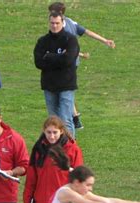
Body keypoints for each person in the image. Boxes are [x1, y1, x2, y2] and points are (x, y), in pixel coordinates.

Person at [48, 2, 115, 130]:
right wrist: (104, 40)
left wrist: (81, 54)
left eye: (52, 13)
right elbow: (87, 32)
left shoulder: (62, 30)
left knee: (64, 92)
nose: (51, 16)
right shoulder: (70, 22)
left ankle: (74, 120)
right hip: (73, 63)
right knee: (66, 91)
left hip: (66, 65)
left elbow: (67, 50)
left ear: (60, 14)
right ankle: (75, 118)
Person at [34, 12, 80, 136]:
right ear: (49, 23)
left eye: (57, 23)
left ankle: (70, 150)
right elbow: (38, 62)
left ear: (62, 22)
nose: (54, 26)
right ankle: (55, 149)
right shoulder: (43, 41)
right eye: (52, 23)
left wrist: (49, 56)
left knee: (65, 120)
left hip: (66, 85)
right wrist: (60, 57)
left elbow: (69, 60)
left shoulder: (70, 39)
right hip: (49, 86)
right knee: (53, 121)